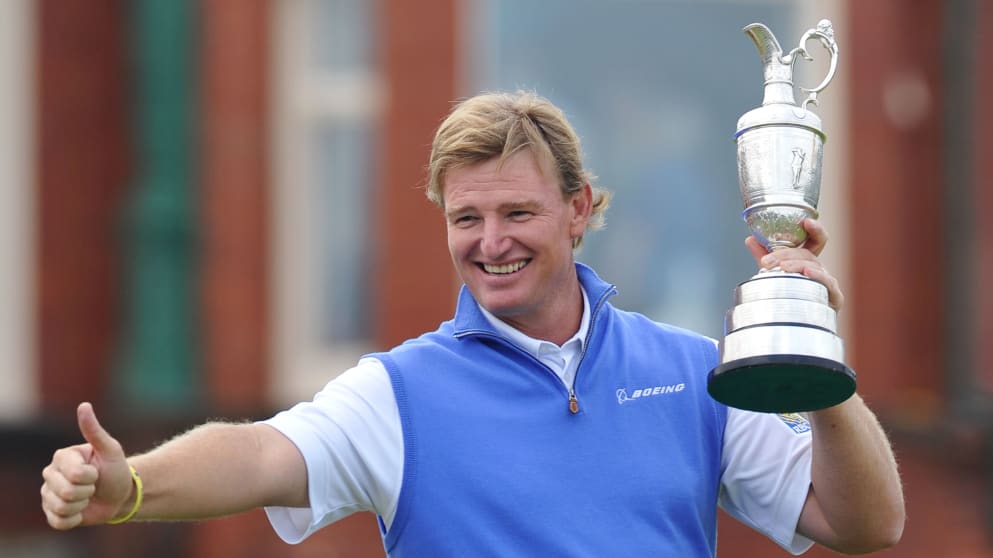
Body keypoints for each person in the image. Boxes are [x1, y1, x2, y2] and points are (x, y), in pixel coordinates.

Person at [41, 90, 904, 556]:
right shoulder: (400, 392)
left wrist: (811, 368)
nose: (490, 244)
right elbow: (263, 453)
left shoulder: (692, 370)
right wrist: (133, 487)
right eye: (466, 219)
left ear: (578, 210)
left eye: (516, 214)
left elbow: (865, 527)